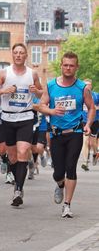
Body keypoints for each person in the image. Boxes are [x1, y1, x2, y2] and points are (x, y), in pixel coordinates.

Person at [38, 52, 95, 218]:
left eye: (72, 65)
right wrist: (51, 111)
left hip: (75, 132)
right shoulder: (51, 85)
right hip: (56, 134)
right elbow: (41, 105)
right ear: (61, 66)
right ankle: (60, 185)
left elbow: (91, 107)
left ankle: (67, 205)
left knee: (71, 167)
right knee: (58, 173)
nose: (68, 68)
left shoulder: (82, 88)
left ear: (76, 67)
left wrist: (89, 125)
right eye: (65, 65)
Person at [0, 43, 42, 207]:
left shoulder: (32, 73)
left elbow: (42, 93)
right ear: (12, 55)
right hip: (8, 118)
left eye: (21, 53)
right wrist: (4, 91)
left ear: (26, 55)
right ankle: (17, 181)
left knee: (22, 152)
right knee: (12, 157)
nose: (19, 55)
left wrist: (36, 91)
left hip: (26, 117)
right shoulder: (4, 73)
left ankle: (18, 190)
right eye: (16, 53)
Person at [80, 79, 99, 170]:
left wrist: (96, 107)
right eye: (85, 85)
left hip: (95, 120)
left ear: (91, 86)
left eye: (89, 85)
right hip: (84, 121)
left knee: (92, 142)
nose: (87, 86)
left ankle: (95, 153)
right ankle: (85, 162)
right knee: (85, 141)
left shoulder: (96, 95)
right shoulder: (80, 95)